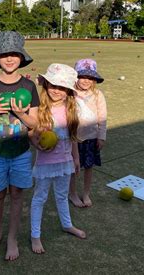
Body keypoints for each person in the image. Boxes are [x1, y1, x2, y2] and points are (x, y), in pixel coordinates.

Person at [0, 31, 39, 261]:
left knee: (17, 195)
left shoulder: (29, 87)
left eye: (14, 54)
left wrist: (21, 113)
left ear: (21, 57)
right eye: (4, 54)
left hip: (21, 153)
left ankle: (12, 238)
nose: (9, 58)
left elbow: (35, 122)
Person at [29, 63, 87, 254]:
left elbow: (72, 137)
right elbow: (32, 135)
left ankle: (67, 224)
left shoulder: (71, 109)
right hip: (45, 163)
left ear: (68, 91)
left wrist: (76, 158)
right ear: (45, 85)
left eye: (62, 87)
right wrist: (38, 143)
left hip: (65, 162)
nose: (56, 90)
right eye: (53, 85)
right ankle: (35, 236)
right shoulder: (39, 109)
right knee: (40, 198)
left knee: (62, 195)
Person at [69, 59, 107, 208]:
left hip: (91, 138)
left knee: (89, 167)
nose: (85, 81)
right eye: (82, 76)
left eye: (90, 78)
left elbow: (102, 117)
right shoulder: (69, 92)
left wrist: (101, 136)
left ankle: (85, 193)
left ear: (94, 80)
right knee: (73, 168)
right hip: (73, 138)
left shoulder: (98, 95)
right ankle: (72, 193)